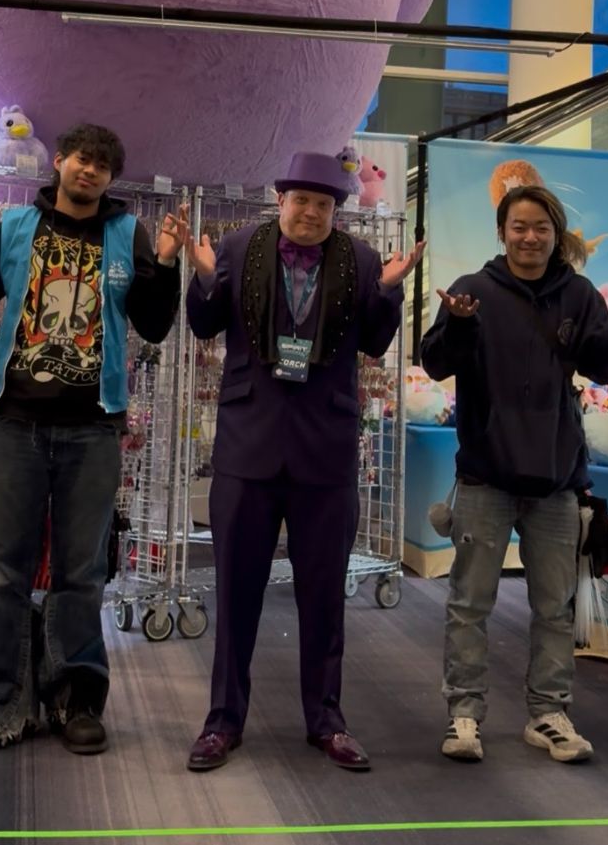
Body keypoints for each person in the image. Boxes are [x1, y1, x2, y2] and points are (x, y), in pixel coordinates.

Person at [0, 123, 186, 755]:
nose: (89, 171)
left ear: (110, 177)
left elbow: (153, 324)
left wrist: (167, 265)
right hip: (15, 422)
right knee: (3, 572)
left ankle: (76, 699)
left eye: (102, 164)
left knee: (81, 572)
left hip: (93, 427)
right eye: (81, 159)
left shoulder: (128, 234)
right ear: (61, 162)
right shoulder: (17, 226)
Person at [182, 151, 423, 775]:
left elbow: (375, 341)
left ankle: (327, 721)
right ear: (280, 200)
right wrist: (204, 278)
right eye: (301, 201)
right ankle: (222, 721)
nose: (311, 212)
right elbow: (204, 325)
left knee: (323, 598)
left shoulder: (362, 260)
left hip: (326, 450)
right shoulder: (237, 247)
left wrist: (389, 292)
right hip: (248, 447)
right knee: (236, 592)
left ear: (335, 211)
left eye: (323, 204)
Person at [420, 185, 608, 766]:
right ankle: (464, 714)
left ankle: (549, 714)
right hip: (485, 475)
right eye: (519, 226)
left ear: (556, 235)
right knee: (469, 602)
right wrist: (460, 326)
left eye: (540, 228)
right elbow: (436, 363)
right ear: (502, 232)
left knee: (555, 607)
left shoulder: (578, 295)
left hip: (556, 479)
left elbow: (602, 367)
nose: (529, 237)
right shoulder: (472, 291)